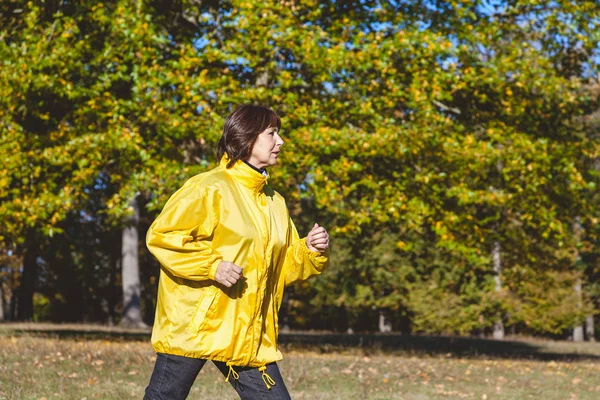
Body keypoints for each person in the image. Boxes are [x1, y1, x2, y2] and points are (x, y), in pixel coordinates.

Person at [144, 104, 330, 399]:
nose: (280, 142)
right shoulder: (208, 188)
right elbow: (163, 236)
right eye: (272, 133)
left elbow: (281, 268)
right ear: (247, 138)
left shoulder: (275, 203)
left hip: (248, 333)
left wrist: (308, 250)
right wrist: (212, 266)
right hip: (195, 326)